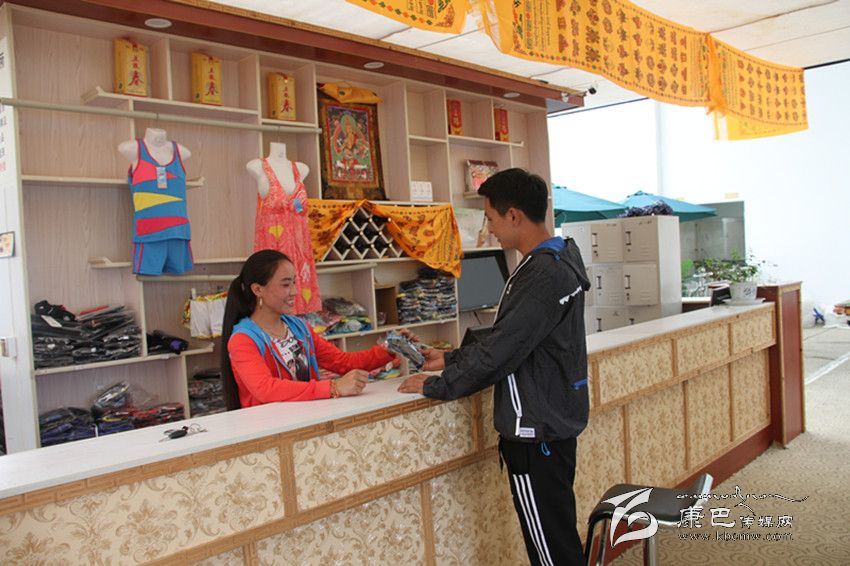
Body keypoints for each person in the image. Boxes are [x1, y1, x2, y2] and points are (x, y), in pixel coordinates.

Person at [398, 168, 591, 566]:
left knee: (551, 551)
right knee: (557, 539)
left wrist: (437, 384)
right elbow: (515, 338)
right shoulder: (557, 259)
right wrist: (449, 358)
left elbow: (502, 351)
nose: (489, 230)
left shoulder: (542, 274)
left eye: (490, 218)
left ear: (514, 215)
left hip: (536, 433)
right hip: (552, 424)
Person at [221, 249, 403, 409]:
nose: (294, 291)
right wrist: (333, 387)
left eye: (294, 283)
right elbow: (266, 389)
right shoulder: (243, 339)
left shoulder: (298, 327)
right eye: (286, 284)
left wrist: (390, 347)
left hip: (306, 420)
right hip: (270, 429)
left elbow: (343, 362)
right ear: (257, 290)